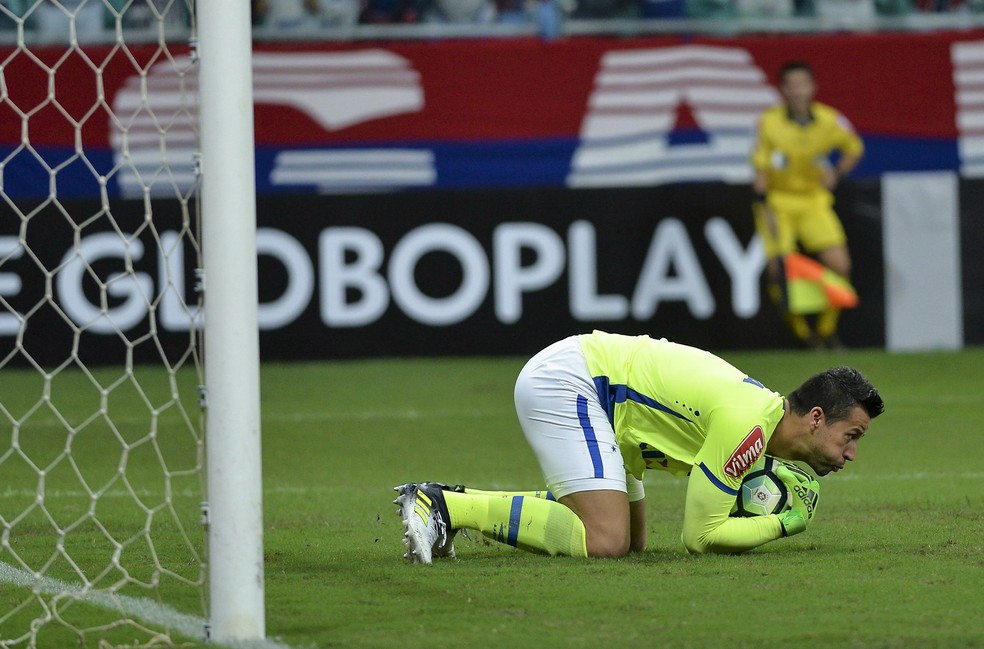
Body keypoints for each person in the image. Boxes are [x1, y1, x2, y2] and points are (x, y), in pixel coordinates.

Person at [394, 330, 884, 563]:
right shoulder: (749, 427)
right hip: (576, 382)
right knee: (605, 541)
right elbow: (702, 537)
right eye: (852, 437)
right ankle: (441, 504)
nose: (851, 454)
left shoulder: (759, 425)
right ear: (817, 418)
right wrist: (784, 521)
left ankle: (451, 502)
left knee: (631, 540)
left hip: (610, 412)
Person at [751, 60, 865, 350]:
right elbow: (761, 169)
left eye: (803, 84)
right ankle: (803, 335)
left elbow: (854, 147)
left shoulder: (829, 120)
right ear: (783, 90)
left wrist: (836, 173)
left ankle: (827, 329)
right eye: (792, 85)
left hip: (813, 200)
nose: (798, 91)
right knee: (779, 271)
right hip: (779, 201)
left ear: (812, 87)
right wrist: (764, 208)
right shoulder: (770, 122)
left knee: (840, 265)